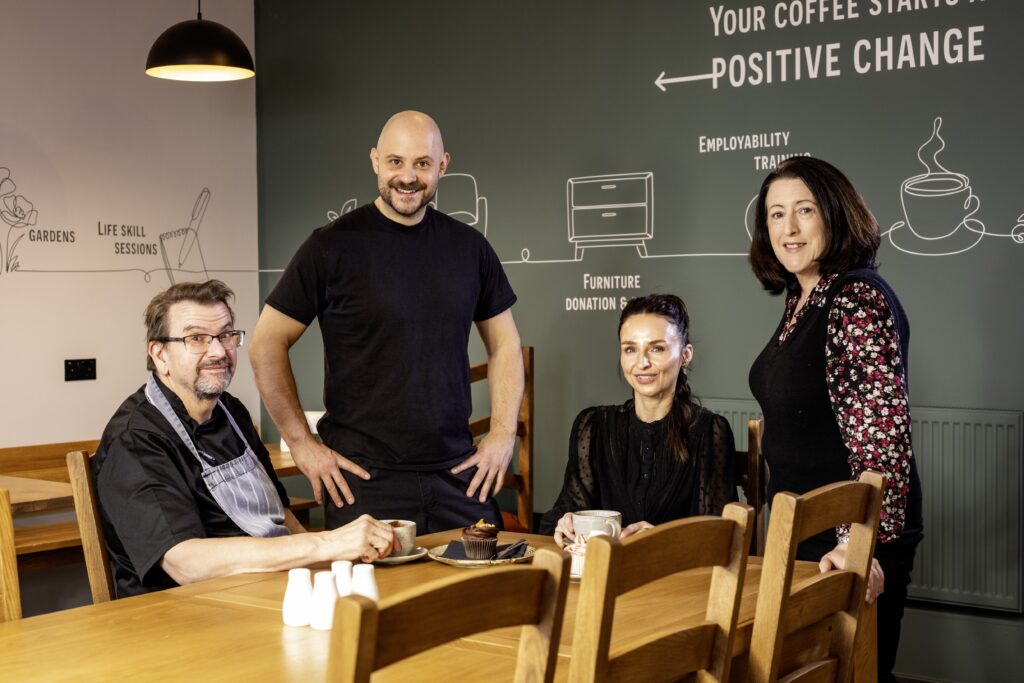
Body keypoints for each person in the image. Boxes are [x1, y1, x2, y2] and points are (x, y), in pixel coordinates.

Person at [249, 111, 523, 533]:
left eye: (422, 164)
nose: (408, 177)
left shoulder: (470, 248)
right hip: (363, 480)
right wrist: (302, 444)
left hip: (458, 472)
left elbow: (505, 344)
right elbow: (265, 343)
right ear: (376, 161)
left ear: (443, 165)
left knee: (491, 575)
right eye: (396, 162)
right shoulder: (329, 247)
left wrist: (503, 434)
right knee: (373, 582)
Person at [94, 281, 398, 597]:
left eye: (226, 335)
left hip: (264, 588)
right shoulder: (135, 440)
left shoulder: (231, 411)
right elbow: (186, 564)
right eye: (196, 338)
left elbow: (281, 515)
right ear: (160, 355)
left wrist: (330, 568)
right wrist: (327, 543)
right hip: (181, 610)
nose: (218, 351)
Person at [747, 157, 924, 683]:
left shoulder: (855, 298)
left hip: (848, 535)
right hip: (806, 527)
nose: (789, 228)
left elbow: (883, 439)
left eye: (804, 210)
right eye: (776, 214)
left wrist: (856, 542)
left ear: (835, 214)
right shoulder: (805, 296)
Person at [539, 294, 737, 546]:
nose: (642, 363)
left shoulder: (709, 431)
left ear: (685, 355)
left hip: (674, 571)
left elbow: (719, 539)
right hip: (603, 570)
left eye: (657, 348)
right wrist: (565, 522)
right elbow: (562, 515)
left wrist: (660, 541)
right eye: (630, 349)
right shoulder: (593, 426)